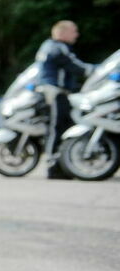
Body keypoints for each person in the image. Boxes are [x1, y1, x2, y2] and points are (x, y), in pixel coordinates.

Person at [36, 20, 93, 180]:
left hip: (50, 91)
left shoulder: (47, 45)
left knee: (57, 127)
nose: (77, 34)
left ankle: (60, 165)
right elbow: (75, 65)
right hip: (55, 92)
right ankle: (54, 167)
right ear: (62, 33)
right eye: (74, 31)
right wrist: (97, 70)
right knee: (57, 128)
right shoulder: (58, 47)